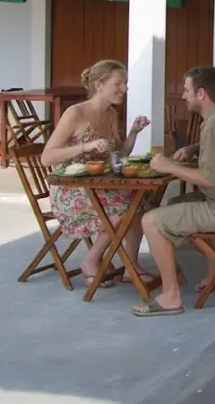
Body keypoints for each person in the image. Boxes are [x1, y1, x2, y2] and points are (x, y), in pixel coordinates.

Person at [133, 65, 215, 317]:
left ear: (201, 93)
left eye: (186, 91)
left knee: (150, 221)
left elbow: (209, 179)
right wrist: (194, 148)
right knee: (173, 204)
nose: (183, 96)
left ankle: (170, 296)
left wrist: (167, 165)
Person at [41, 59, 153, 288]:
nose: (124, 89)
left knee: (140, 204)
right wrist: (84, 147)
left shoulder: (111, 114)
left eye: (125, 83)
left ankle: (130, 267)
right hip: (71, 190)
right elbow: (47, 157)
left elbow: (119, 153)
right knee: (123, 208)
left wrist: (133, 133)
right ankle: (91, 260)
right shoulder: (75, 113)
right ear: (99, 85)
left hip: (99, 185)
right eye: (118, 83)